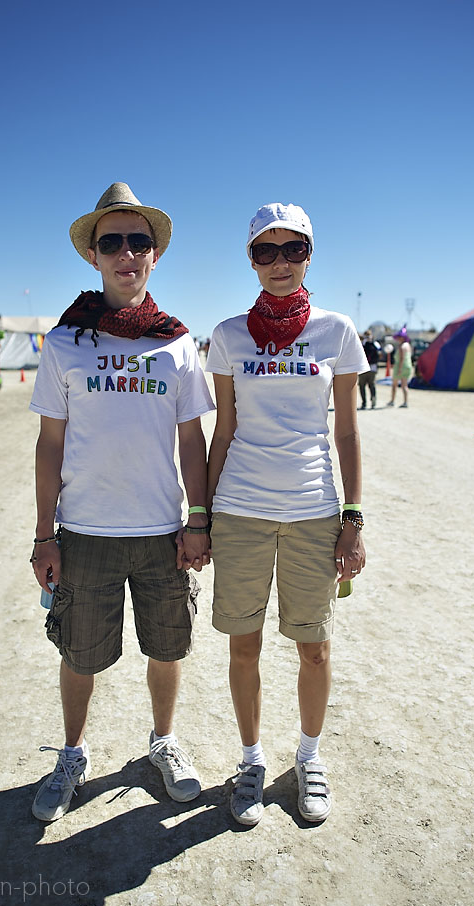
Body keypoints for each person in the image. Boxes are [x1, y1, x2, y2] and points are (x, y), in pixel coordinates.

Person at [29, 182, 215, 823]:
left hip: (162, 531)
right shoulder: (64, 343)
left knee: (167, 647)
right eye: (114, 242)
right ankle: (72, 754)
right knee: (79, 654)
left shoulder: (177, 344)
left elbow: (192, 442)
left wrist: (199, 519)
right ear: (94, 255)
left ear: (155, 254)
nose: (127, 253)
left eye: (140, 241)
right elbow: (49, 445)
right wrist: (43, 535)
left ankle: (162, 744)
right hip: (83, 531)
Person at [205, 201, 368, 826]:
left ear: (310, 254)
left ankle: (307, 756)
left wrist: (352, 517)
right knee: (243, 647)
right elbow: (224, 431)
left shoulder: (336, 330)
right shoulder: (228, 335)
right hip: (241, 510)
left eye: (292, 249)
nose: (279, 263)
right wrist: (202, 516)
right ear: (250, 259)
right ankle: (250, 761)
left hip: (313, 511)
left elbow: (348, 434)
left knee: (314, 648)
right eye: (264, 251)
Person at [387, 326, 412, 408]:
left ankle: (392, 401)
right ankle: (405, 402)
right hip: (408, 366)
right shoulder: (408, 345)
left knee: (394, 385)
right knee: (405, 385)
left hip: (400, 366)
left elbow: (401, 358)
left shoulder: (401, 347)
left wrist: (399, 369)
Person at [358, 329, 381, 409]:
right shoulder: (375, 344)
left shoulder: (361, 344)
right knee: (372, 385)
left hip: (362, 368)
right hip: (373, 368)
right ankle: (373, 400)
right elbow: (380, 354)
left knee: (362, 386)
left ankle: (364, 403)